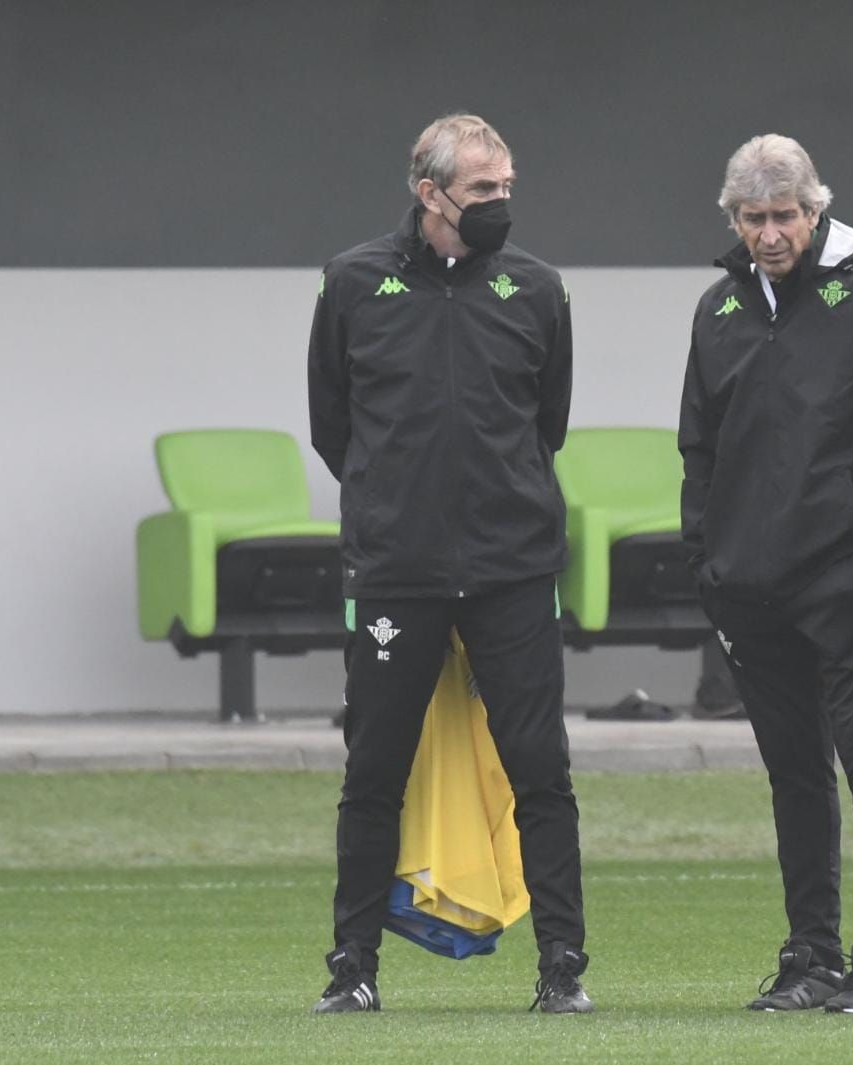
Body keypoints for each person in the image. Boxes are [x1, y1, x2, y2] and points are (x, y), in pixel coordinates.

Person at [306, 113, 591, 1015]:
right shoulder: (352, 282)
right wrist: (398, 504)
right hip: (397, 571)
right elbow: (333, 427)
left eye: (507, 187)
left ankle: (563, 970)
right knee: (373, 771)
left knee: (541, 770)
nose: (500, 203)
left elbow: (547, 423)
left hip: (513, 569)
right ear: (429, 193)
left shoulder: (540, 289)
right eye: (482, 190)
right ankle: (352, 970)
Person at [679, 134, 853, 1014]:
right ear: (734, 219)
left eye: (784, 215)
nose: (769, 233)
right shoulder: (717, 309)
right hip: (750, 589)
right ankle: (811, 956)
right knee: (794, 774)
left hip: (851, 581)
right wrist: (708, 569)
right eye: (752, 218)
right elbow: (699, 450)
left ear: (814, 208)